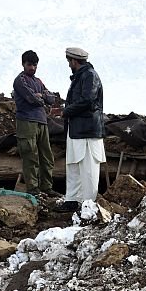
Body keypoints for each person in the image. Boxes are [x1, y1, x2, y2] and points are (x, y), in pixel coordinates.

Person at [57, 47, 104, 213]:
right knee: (74, 166)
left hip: (88, 131)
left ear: (74, 61)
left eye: (69, 62)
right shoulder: (81, 77)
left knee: (88, 169)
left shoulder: (89, 75)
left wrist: (65, 111)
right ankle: (72, 200)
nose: (69, 65)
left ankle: (88, 205)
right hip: (77, 130)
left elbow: (87, 101)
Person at [13, 50, 57, 197]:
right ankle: (32, 188)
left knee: (46, 156)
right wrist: (40, 97)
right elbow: (32, 98)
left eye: (35, 65)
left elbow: (51, 98)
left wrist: (41, 95)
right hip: (26, 121)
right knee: (30, 155)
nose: (32, 67)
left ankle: (47, 187)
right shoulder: (20, 80)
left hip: (42, 122)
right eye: (29, 64)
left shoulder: (38, 82)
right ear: (23, 64)